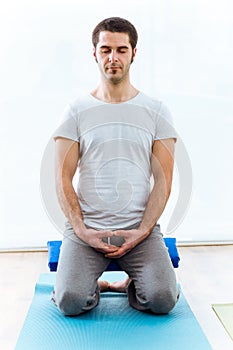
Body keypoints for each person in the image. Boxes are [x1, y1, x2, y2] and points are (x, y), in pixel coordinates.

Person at [52, 17, 179, 316]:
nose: (113, 57)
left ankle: (128, 285)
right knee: (70, 300)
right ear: (94, 53)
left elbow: (164, 180)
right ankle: (99, 286)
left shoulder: (157, 111)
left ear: (134, 53)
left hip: (139, 230)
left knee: (162, 299)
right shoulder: (76, 111)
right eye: (106, 49)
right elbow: (61, 177)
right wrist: (82, 231)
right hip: (87, 230)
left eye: (121, 50)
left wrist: (143, 230)